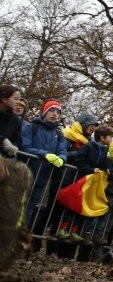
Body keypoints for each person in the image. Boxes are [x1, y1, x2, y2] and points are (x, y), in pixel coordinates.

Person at [20, 99, 68, 231]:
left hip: (42, 178)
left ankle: (19, 240)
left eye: (58, 112)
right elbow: (24, 147)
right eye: (52, 110)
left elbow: (62, 150)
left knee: (29, 211)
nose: (55, 114)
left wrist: (62, 159)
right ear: (44, 111)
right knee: (16, 207)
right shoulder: (31, 127)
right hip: (25, 174)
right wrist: (45, 154)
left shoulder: (58, 134)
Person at [0, 84, 23, 158]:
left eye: (19, 99)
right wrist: (2, 140)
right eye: (15, 99)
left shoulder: (16, 120)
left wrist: (13, 147)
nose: (18, 102)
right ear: (4, 99)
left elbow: (17, 140)